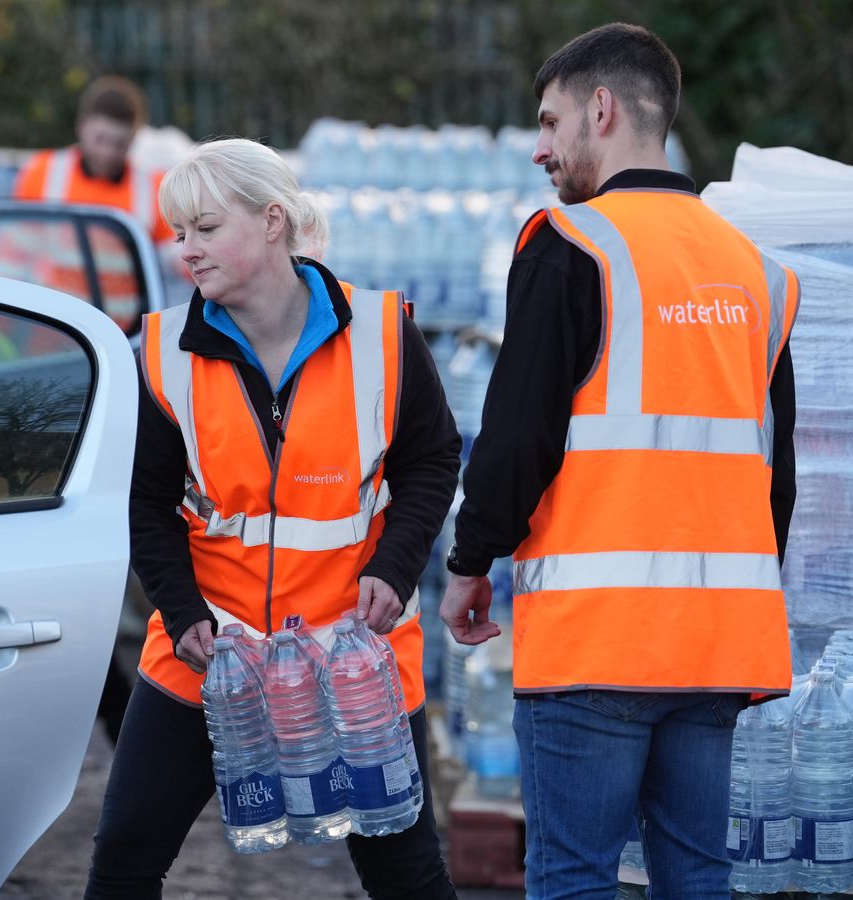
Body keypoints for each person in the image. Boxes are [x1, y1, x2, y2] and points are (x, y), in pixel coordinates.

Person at [440, 23, 798, 900]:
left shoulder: (572, 245)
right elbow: (774, 477)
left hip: (597, 642)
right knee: (696, 878)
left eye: (549, 121)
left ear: (601, 110)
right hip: (717, 650)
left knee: (574, 877)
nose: (539, 148)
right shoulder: (759, 272)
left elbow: (518, 435)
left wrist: (468, 560)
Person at [85, 138, 462, 899]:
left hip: (352, 664)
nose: (185, 250)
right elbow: (144, 504)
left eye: (204, 228)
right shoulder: (159, 353)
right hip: (208, 658)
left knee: (406, 877)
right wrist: (181, 610)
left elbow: (431, 462)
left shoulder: (384, 336)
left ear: (272, 221)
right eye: (179, 232)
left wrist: (394, 570)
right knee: (125, 857)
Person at [13, 75, 174, 246]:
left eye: (120, 144)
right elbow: (15, 249)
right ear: (81, 126)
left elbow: (172, 257)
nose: (108, 152)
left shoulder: (156, 190)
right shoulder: (40, 174)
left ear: (134, 137)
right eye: (100, 139)